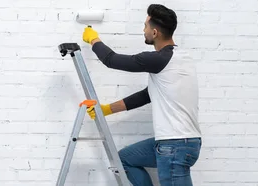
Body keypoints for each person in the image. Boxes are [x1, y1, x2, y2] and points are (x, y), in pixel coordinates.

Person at [81, 4, 202, 186]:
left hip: (174, 145)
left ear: (154, 33)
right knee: (123, 160)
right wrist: (107, 110)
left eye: (145, 26)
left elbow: (111, 60)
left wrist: (94, 40)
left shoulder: (159, 59)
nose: (143, 30)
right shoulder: (179, 59)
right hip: (181, 143)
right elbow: (147, 95)